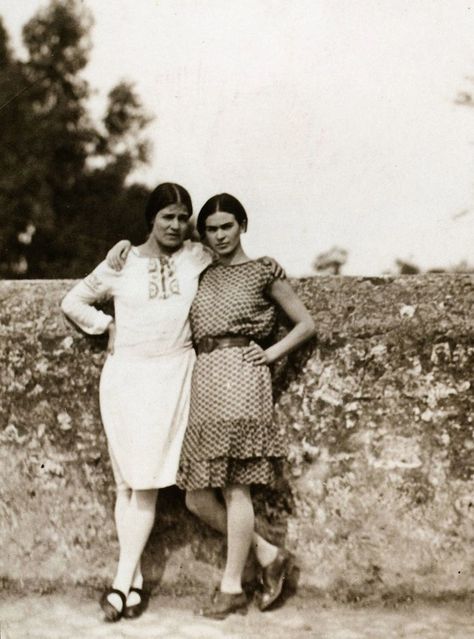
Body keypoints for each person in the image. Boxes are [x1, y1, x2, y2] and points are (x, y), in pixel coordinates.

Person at [61, 182, 213, 622]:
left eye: (184, 216)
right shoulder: (121, 262)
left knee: (144, 483)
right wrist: (104, 326)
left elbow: (231, 254)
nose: (177, 224)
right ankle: (134, 588)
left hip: (171, 375)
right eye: (168, 216)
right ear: (151, 219)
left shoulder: (196, 256)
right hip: (126, 377)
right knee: (126, 483)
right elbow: (73, 300)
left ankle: (118, 584)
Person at [175, 193, 316, 620]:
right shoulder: (200, 271)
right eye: (212, 229)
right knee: (196, 497)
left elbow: (306, 324)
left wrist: (272, 355)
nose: (219, 236)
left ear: (242, 226)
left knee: (236, 486)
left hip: (243, 376)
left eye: (227, 227)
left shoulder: (262, 271)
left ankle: (232, 586)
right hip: (204, 378)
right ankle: (270, 555)